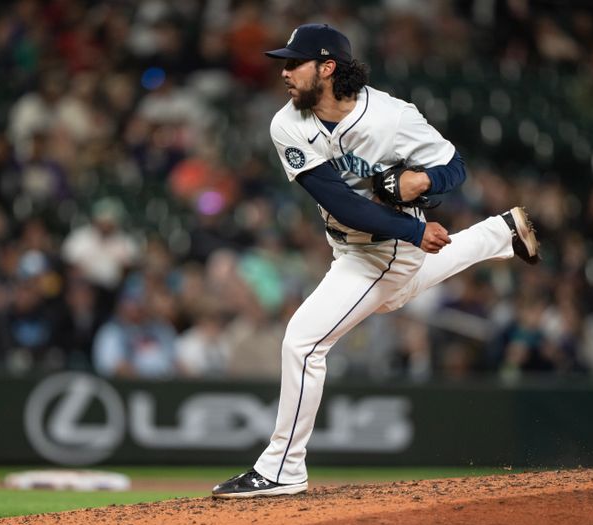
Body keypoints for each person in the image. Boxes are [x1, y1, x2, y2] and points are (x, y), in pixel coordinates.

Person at [212, 23, 540, 498]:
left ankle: (283, 467)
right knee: (393, 297)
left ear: (327, 67)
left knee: (303, 343)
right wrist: (414, 226)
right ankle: (501, 233)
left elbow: (455, 167)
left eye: (293, 62)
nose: (284, 72)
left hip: (384, 250)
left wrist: (420, 184)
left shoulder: (391, 116)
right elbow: (341, 202)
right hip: (358, 241)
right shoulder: (286, 123)